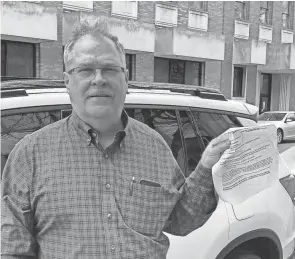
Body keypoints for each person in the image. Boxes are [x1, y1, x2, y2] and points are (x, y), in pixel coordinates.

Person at [1, 20, 230, 259]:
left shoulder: (155, 146)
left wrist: (206, 166)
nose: (98, 79)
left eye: (109, 69)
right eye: (86, 69)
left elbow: (180, 220)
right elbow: (13, 249)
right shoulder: (29, 155)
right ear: (67, 82)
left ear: (126, 79)